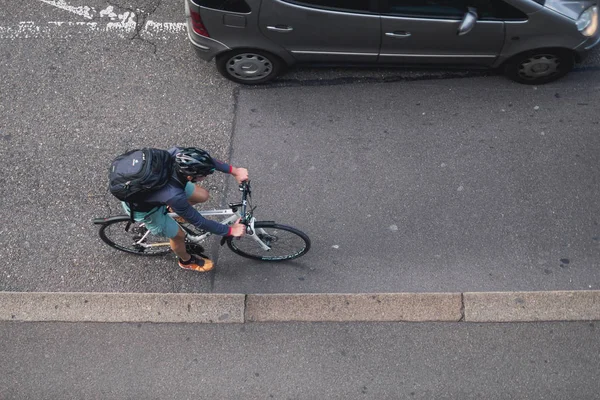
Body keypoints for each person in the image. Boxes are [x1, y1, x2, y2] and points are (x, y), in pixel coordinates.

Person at [123, 147, 248, 272]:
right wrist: (230, 230)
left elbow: (206, 162)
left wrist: (234, 171)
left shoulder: (179, 155)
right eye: (203, 175)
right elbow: (200, 222)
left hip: (163, 190)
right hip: (144, 208)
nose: (205, 177)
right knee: (178, 235)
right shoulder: (174, 195)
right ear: (189, 177)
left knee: (202, 195)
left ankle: (173, 210)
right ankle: (186, 261)